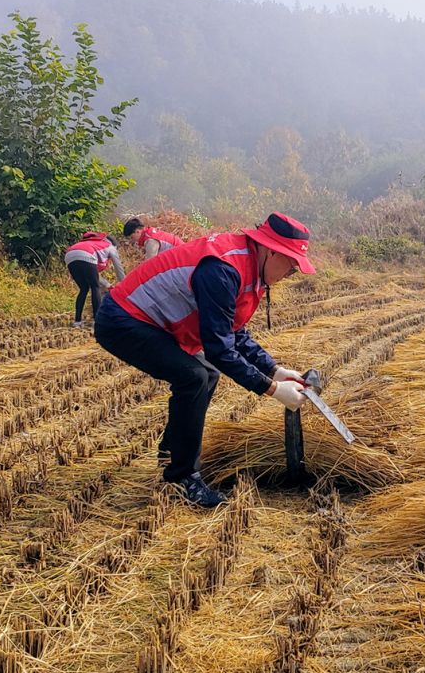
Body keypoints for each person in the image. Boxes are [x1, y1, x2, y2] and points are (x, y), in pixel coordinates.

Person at [94, 213, 315, 506]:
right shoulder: (222, 268)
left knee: (206, 374)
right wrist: (272, 390)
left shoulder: (247, 265)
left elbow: (232, 330)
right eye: (291, 266)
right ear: (272, 251)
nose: (290, 275)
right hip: (123, 318)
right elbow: (219, 348)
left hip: (149, 321)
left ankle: (172, 451)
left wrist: (274, 370)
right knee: (194, 376)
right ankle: (183, 478)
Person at [65, 232, 125, 328]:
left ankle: (77, 321)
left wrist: (106, 284)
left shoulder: (91, 243)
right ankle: (97, 321)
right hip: (87, 255)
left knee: (84, 288)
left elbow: (93, 274)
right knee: (95, 288)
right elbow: (118, 267)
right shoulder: (110, 246)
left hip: (69, 255)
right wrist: (125, 284)